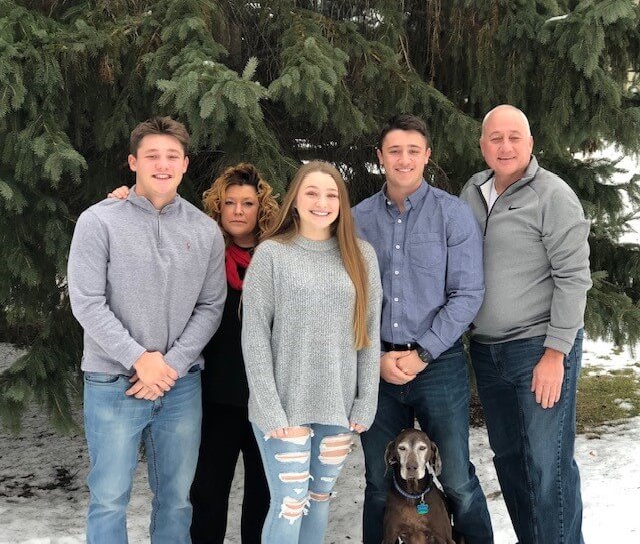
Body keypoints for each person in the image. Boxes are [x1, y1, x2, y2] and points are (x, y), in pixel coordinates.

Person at [68, 116, 226, 544]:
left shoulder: (205, 230)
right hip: (112, 383)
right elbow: (86, 300)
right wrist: (140, 359)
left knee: (176, 500)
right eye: (152, 156)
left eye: (171, 156)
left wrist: (169, 366)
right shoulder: (98, 221)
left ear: (185, 164)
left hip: (180, 386)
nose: (162, 164)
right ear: (133, 162)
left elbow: (211, 305)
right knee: (108, 499)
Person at [108, 163, 279, 543]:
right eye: (229, 202)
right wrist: (124, 200)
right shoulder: (198, 250)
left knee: (264, 497)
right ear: (217, 208)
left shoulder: (277, 258)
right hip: (213, 396)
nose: (238, 210)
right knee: (206, 494)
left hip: (267, 399)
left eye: (247, 203)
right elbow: (146, 243)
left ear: (261, 209)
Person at [353, 114, 493, 544]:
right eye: (394, 150)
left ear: (427, 156)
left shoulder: (452, 214)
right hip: (376, 365)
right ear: (380, 157)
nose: (404, 159)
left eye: (413, 150)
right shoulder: (356, 220)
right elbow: (346, 296)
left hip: (438, 363)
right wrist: (373, 357)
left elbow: (468, 294)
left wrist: (422, 354)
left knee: (456, 481)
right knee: (379, 484)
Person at [460, 104, 592, 544]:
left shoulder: (552, 195)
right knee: (511, 462)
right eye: (495, 138)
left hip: (539, 348)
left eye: (514, 136)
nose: (505, 146)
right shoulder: (473, 191)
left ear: (531, 143)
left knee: (548, 466)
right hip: (487, 351)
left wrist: (555, 354)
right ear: (482, 146)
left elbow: (574, 278)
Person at [241, 160, 383, 544]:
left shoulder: (361, 256)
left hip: (337, 406)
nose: (322, 202)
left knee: (318, 499)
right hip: (284, 405)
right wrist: (268, 406)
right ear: (295, 200)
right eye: (312, 193)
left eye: (331, 194)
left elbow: (368, 335)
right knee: (289, 501)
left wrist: (365, 400)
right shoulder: (272, 254)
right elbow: (253, 335)